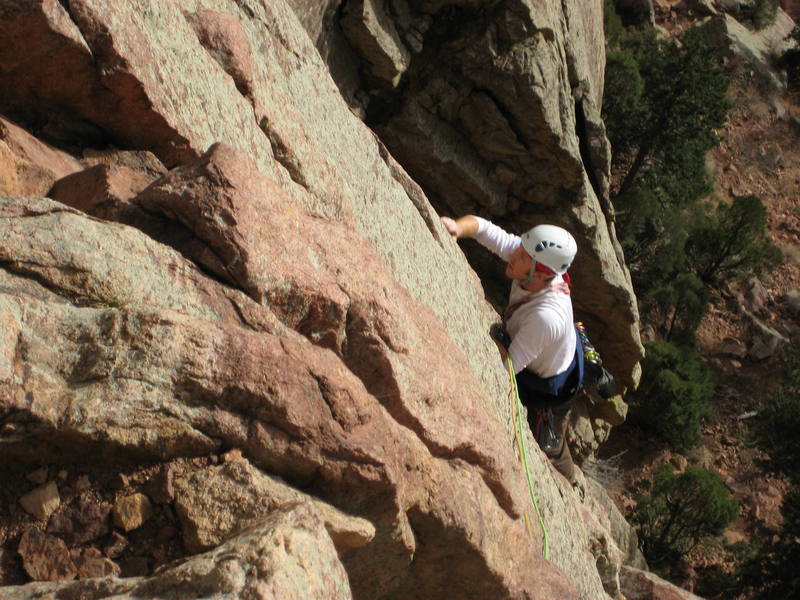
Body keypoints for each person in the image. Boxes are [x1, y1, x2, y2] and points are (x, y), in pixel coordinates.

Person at [441, 214, 585, 483]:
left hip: (552, 385)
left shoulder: (545, 317)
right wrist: (457, 228)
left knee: (550, 443)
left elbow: (509, 368)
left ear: (540, 274)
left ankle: (570, 477)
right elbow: (483, 228)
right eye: (519, 249)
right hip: (548, 350)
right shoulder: (529, 258)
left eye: (521, 256)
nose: (513, 253)